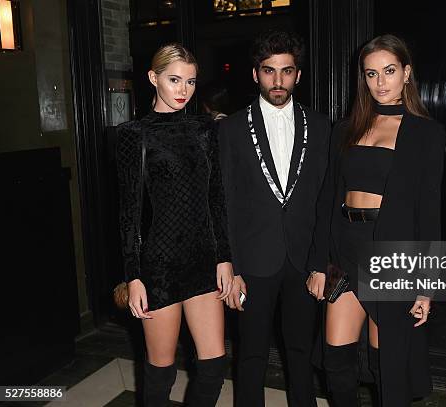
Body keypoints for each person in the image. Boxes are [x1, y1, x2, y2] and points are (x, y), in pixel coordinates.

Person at [321, 34, 446, 406]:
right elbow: (328, 199)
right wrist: (317, 264)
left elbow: (429, 212)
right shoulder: (345, 129)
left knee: (387, 365)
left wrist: (427, 285)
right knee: (335, 359)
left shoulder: (425, 133)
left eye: (389, 71)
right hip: (344, 248)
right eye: (371, 73)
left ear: (406, 73)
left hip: (390, 255)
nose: (380, 82)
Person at [116, 43, 233, 407]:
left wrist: (224, 258)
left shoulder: (205, 130)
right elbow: (129, 211)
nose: (183, 90)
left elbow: (217, 199)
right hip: (159, 266)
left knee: (214, 366)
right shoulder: (135, 134)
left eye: (191, 82)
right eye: (174, 80)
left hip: (202, 260)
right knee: (160, 373)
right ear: (153, 79)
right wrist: (133, 274)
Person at [218, 30, 331, 407]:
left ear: (298, 75)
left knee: (301, 353)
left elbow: (324, 200)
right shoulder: (231, 129)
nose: (278, 81)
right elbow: (226, 202)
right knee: (250, 356)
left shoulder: (321, 126)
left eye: (286, 71)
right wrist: (230, 267)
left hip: (302, 261)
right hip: (252, 262)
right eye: (269, 71)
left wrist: (320, 263)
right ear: (255, 74)